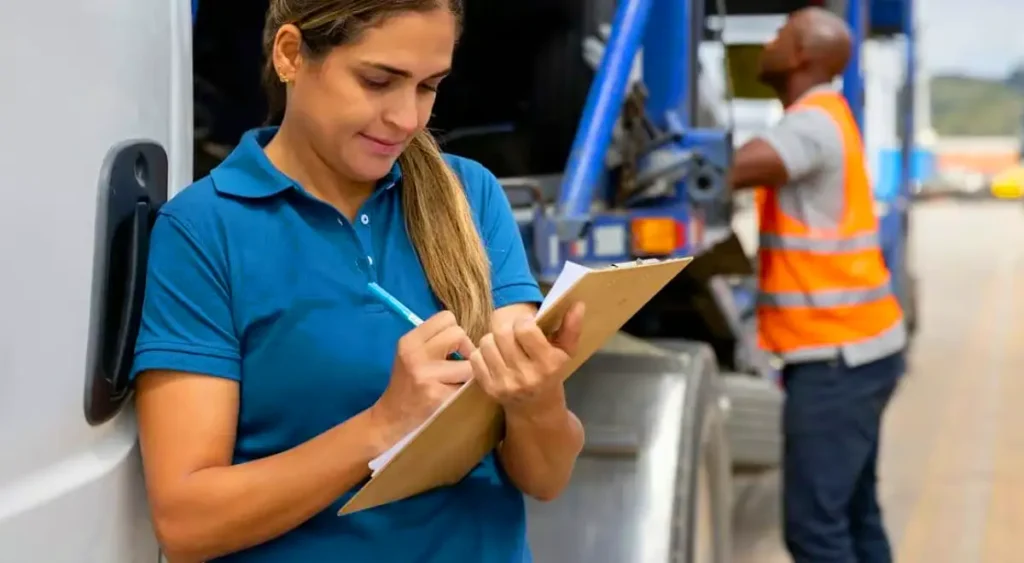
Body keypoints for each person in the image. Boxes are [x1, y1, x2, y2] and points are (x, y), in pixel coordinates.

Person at [130, 1, 587, 561]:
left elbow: (546, 479)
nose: (408, 119)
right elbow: (186, 523)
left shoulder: (471, 197)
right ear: (291, 54)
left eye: (428, 86)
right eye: (378, 81)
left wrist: (537, 400)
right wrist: (382, 426)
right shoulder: (204, 231)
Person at [726, 7, 906, 563]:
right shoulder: (829, 113)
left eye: (781, 33)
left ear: (802, 54)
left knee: (815, 531)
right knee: (854, 514)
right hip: (862, 348)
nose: (769, 41)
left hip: (835, 360)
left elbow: (738, 167)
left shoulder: (810, 122)